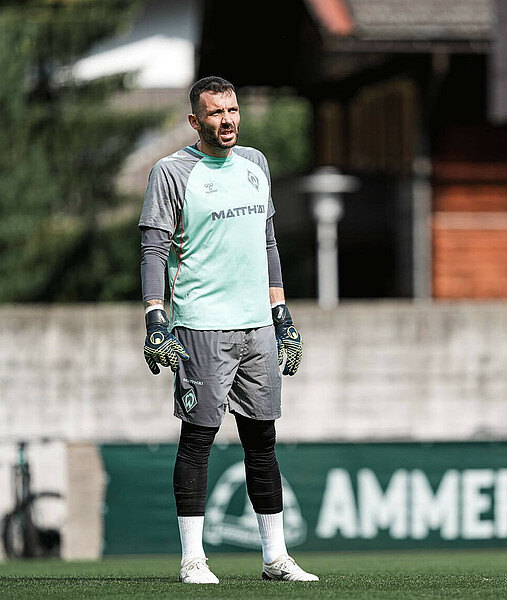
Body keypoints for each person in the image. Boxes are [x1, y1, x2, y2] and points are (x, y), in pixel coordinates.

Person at [137, 76, 316, 584]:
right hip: (201, 326)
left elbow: (268, 243)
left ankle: (275, 558)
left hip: (257, 326)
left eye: (232, 110)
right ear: (196, 121)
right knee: (198, 438)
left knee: (262, 439)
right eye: (215, 113)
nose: (227, 120)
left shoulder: (256, 164)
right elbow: (153, 250)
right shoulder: (170, 173)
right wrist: (155, 319)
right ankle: (193, 558)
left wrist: (282, 315)